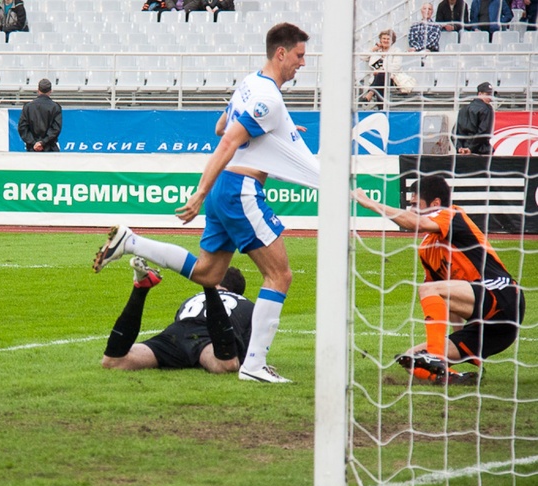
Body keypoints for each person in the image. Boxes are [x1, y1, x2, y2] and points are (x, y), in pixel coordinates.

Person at [93, 23, 319, 384]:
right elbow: (227, 141)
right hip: (239, 189)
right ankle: (255, 366)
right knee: (280, 276)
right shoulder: (269, 98)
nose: (302, 63)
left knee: (208, 274)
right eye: (299, 55)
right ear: (281, 53)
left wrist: (274, 136)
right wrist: (200, 191)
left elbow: (219, 126)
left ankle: (132, 242)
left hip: (225, 190)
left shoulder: (250, 83)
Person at [351, 176, 525, 385]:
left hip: (503, 298)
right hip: (490, 329)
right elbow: (446, 299)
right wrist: (458, 338)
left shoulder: (451, 214)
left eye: (416, 204)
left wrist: (370, 203)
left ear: (435, 204)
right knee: (411, 358)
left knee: (428, 290)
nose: (412, 210)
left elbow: (417, 223)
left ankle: (435, 356)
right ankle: (452, 377)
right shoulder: (426, 248)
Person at [103, 258, 253, 374]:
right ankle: (207, 284)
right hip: (208, 340)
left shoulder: (191, 299)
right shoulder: (247, 304)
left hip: (176, 334)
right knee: (226, 366)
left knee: (114, 361)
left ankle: (140, 290)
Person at [359, 29, 402, 109]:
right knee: (380, 80)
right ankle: (381, 109)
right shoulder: (377, 51)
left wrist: (381, 70)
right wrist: (373, 49)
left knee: (381, 75)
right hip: (376, 80)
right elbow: (362, 57)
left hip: (391, 78)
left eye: (388, 39)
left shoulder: (396, 51)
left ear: (392, 41)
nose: (386, 40)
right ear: (380, 40)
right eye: (384, 38)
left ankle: (370, 94)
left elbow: (396, 66)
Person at [18, 78, 62, 152]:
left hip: (32, 149)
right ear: (50, 91)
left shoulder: (28, 107)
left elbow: (22, 128)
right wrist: (43, 142)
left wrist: (34, 143)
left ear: (38, 90)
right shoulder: (55, 107)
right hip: (50, 149)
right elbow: (56, 129)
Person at [454, 81, 494, 155]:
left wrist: (459, 148)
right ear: (480, 94)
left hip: (463, 152)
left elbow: (454, 132)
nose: (490, 98)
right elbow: (484, 132)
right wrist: (470, 148)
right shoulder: (487, 108)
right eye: (488, 94)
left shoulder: (463, 109)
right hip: (481, 151)